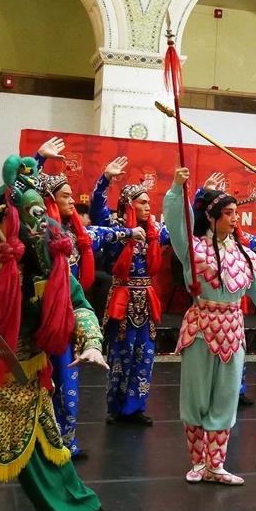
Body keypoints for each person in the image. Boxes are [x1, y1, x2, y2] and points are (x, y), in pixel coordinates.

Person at [0, 154, 122, 511]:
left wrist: (91, 342)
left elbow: (77, 303)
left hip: (29, 374)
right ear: (5, 213)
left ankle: (74, 507)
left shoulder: (48, 252)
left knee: (49, 451)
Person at [165, 168, 256, 485]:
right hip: (201, 326)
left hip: (232, 329)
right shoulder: (193, 249)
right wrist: (178, 189)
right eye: (228, 213)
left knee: (227, 396)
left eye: (235, 212)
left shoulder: (243, 253)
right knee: (195, 396)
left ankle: (216, 464)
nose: (234, 218)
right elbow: (177, 223)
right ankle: (197, 462)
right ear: (212, 217)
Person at [34, 142, 143, 458]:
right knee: (39, 384)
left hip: (70, 318)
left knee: (68, 383)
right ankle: (38, 443)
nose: (72, 200)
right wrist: (38, 159)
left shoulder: (78, 236)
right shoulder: (37, 236)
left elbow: (105, 232)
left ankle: (65, 442)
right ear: (49, 200)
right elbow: (17, 192)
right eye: (66, 196)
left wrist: (130, 233)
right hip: (40, 320)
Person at [90, 157, 170, 426]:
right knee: (121, 354)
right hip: (123, 298)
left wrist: (186, 195)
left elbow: (182, 228)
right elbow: (97, 209)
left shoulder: (155, 231)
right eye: (142, 202)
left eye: (149, 202)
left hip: (145, 299)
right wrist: (105, 179)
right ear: (129, 205)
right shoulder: (116, 227)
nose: (148, 207)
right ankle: (117, 406)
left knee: (145, 355)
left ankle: (136, 407)